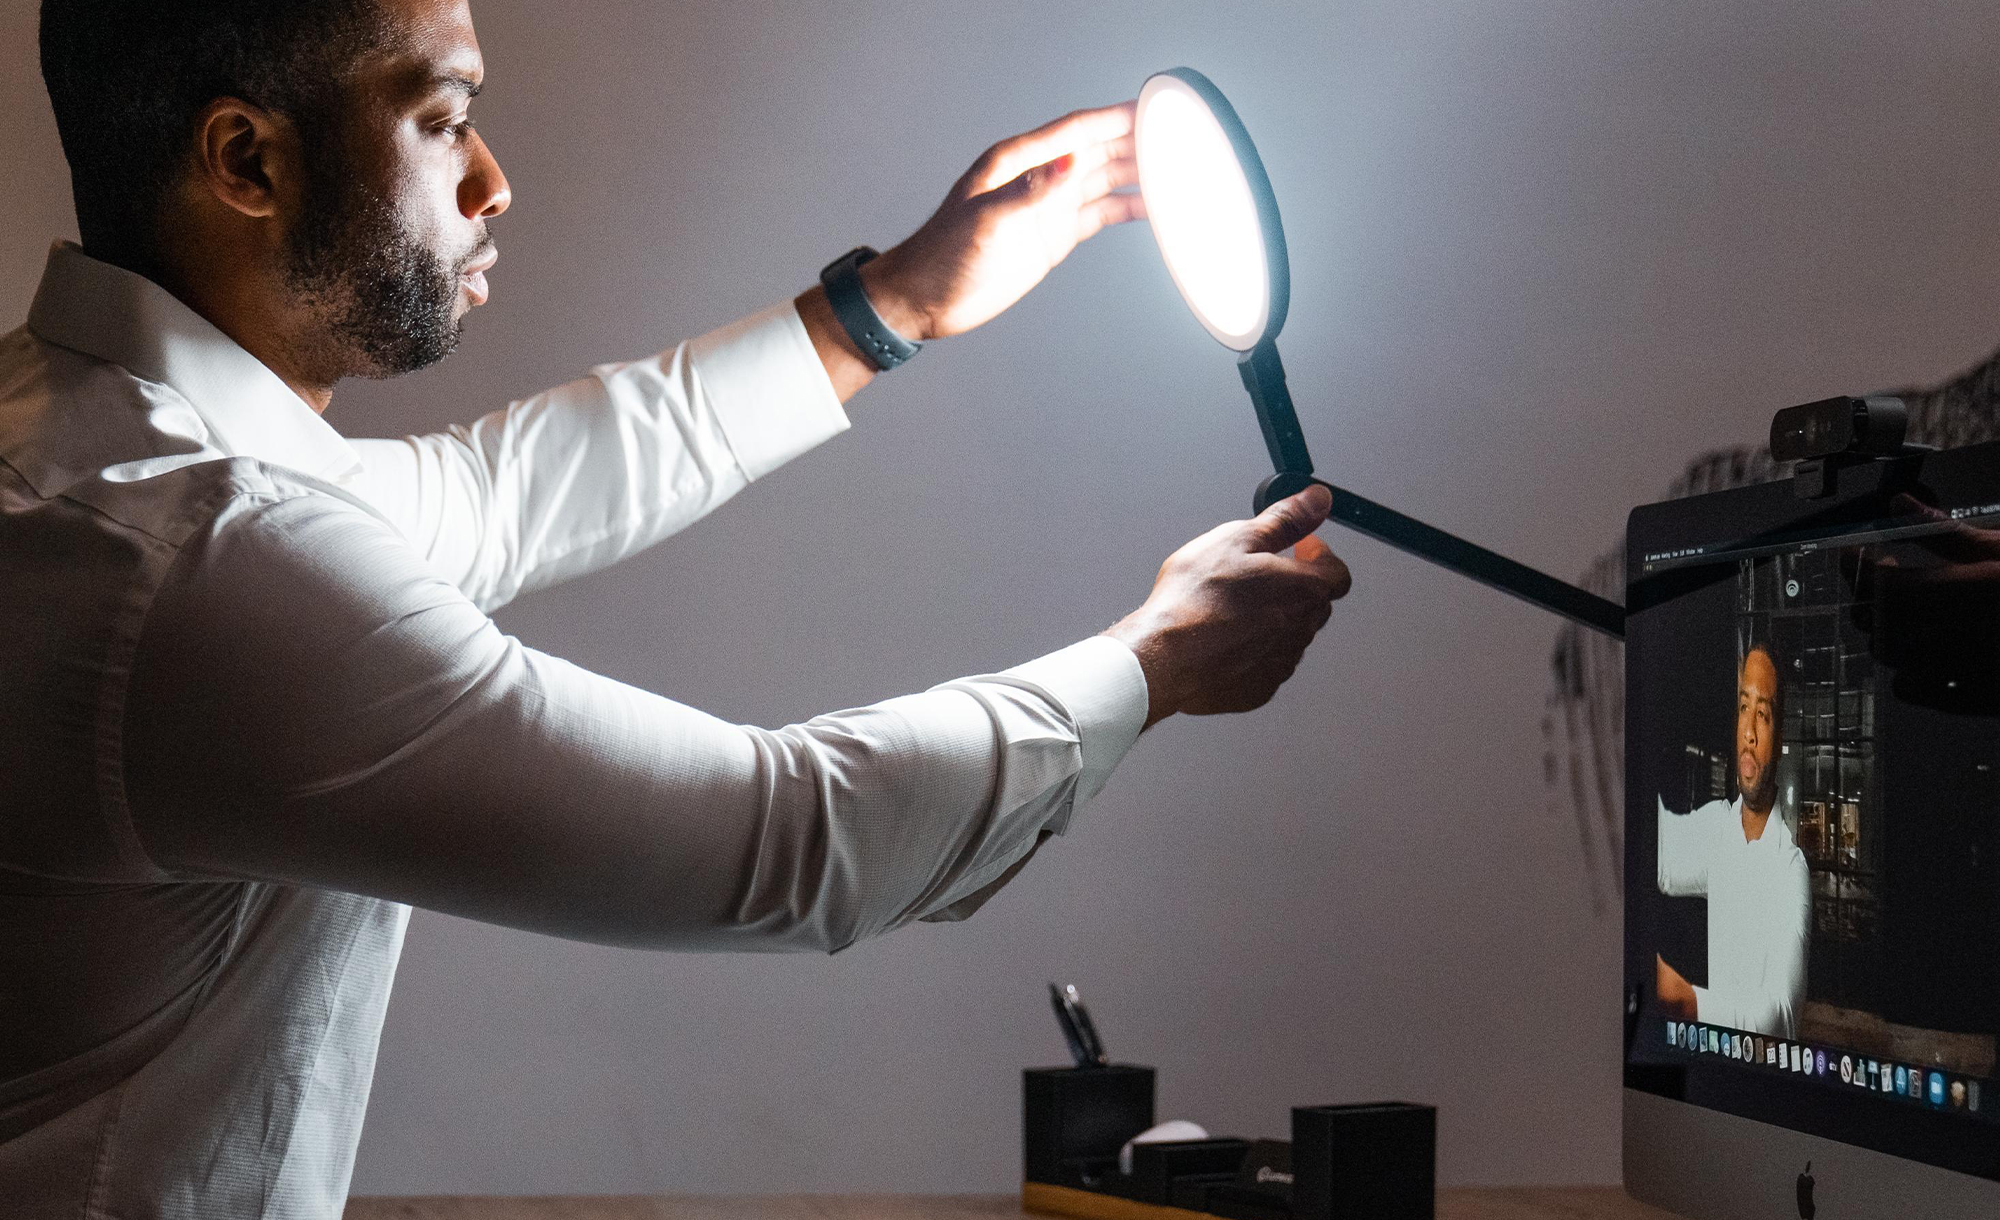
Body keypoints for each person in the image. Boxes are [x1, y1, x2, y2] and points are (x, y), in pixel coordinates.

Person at [1, 0, 1353, 1215]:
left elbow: (501, 491)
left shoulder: (80, 442)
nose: (493, 180)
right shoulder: (196, 565)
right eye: (441, 119)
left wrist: (887, 309)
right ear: (248, 161)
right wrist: (1153, 664)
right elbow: (781, 837)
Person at [1654, 642, 1811, 1038]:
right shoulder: (1718, 830)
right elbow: (1659, 857)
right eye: (1744, 708)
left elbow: (1777, 1016)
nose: (1749, 731)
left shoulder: (1790, 870)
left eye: (1763, 714)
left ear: (1778, 735)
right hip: (1715, 1069)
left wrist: (1686, 999)